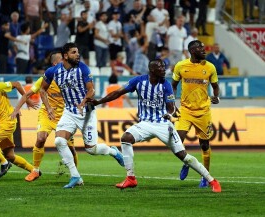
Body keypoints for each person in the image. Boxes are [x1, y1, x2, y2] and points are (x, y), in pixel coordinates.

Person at [88, 59, 221, 193]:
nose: (164, 69)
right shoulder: (138, 81)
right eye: (161, 67)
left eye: (164, 67)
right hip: (145, 124)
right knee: (125, 138)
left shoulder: (166, 84)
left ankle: (212, 180)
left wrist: (170, 115)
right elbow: (117, 93)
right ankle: (131, 178)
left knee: (183, 155)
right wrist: (98, 101)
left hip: (163, 124)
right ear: (152, 70)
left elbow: (171, 107)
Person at [40, 43, 124, 188]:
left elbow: (91, 90)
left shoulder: (83, 68)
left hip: (86, 112)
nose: (77, 55)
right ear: (65, 56)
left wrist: (83, 102)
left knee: (91, 149)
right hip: (69, 112)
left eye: (77, 52)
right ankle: (75, 176)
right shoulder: (53, 71)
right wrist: (48, 108)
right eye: (74, 52)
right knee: (59, 141)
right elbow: (42, 89)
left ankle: (113, 151)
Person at [11, 51, 78, 182]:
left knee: (71, 148)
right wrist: (16, 109)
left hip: (65, 116)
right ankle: (35, 170)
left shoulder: (71, 77)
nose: (65, 63)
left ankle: (75, 174)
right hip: (47, 114)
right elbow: (27, 94)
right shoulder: (45, 79)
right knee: (41, 138)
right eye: (62, 61)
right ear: (54, 64)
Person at [172, 40, 220, 188]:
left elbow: (215, 86)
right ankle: (188, 161)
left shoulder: (210, 67)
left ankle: (205, 176)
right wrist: (172, 104)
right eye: (200, 48)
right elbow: (173, 86)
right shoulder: (181, 66)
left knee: (204, 144)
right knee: (177, 141)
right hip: (185, 110)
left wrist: (216, 97)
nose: (204, 50)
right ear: (192, 51)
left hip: (203, 111)